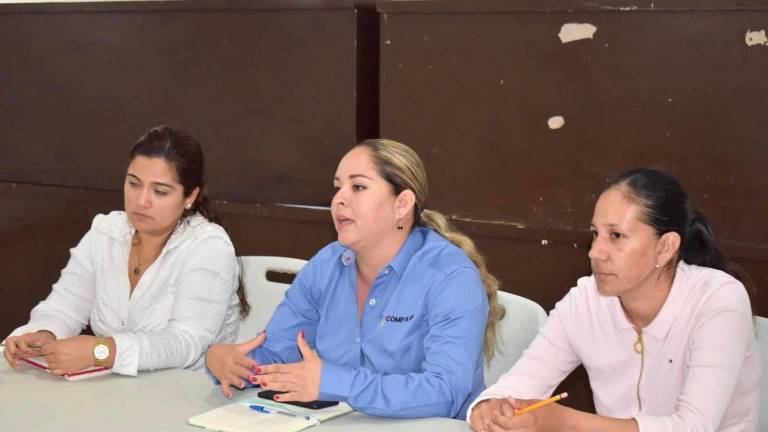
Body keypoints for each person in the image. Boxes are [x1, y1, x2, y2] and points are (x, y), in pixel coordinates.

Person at [205, 139, 505, 419]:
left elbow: (445, 392)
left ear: (401, 205)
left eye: (358, 187)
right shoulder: (327, 263)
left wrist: (334, 381)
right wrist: (227, 362)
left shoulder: (450, 277)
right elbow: (275, 355)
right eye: (337, 188)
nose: (339, 200)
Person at [468, 168, 760, 432]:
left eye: (616, 236)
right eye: (595, 234)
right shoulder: (586, 300)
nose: (595, 252)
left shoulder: (718, 299)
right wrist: (491, 407)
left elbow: (694, 427)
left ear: (665, 247)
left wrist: (565, 421)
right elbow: (519, 382)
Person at [3, 125, 248, 377]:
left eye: (160, 191)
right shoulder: (107, 231)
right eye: (133, 184)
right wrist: (44, 334)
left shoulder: (208, 245)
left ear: (190, 196)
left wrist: (101, 351)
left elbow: (187, 342)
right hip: (114, 388)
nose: (141, 201)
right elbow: (63, 307)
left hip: (187, 393)